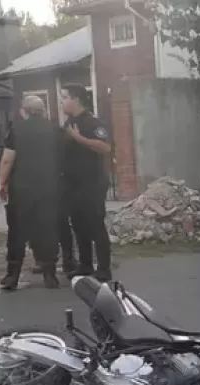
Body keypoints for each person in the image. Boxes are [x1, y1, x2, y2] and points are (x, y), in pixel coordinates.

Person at [0, 95, 65, 290]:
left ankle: (12, 276)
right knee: (48, 230)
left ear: (23, 111)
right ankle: (50, 275)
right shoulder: (55, 130)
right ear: (43, 111)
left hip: (22, 188)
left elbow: (8, 159)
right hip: (49, 187)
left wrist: (2, 183)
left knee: (17, 232)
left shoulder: (16, 130)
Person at [60, 84, 114, 281]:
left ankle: (104, 268)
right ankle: (85, 264)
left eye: (64, 97)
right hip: (72, 184)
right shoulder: (68, 123)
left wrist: (79, 138)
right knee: (79, 225)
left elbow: (105, 147)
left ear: (76, 99)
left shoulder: (92, 123)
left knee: (95, 225)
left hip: (91, 184)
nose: (62, 102)